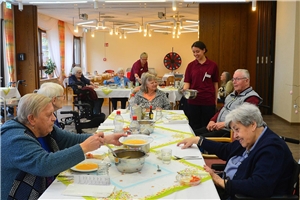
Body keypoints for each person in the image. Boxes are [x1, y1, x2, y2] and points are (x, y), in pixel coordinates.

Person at [1, 93, 126, 200]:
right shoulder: (14, 138)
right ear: (32, 119)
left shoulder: (43, 129)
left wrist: (106, 138)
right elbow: (44, 165)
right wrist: (83, 148)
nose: (54, 118)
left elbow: (71, 139)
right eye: (49, 115)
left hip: (45, 188)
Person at [177, 103, 294, 199]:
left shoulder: (272, 149)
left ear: (253, 125)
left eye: (237, 130)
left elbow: (260, 187)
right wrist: (199, 140)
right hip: (230, 187)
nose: (236, 136)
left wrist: (220, 181)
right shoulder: (251, 140)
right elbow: (226, 150)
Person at [193, 69, 262, 138]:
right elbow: (222, 109)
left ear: (246, 80)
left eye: (237, 79)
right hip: (217, 127)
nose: (234, 82)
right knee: (191, 133)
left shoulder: (252, 98)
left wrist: (225, 124)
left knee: (196, 139)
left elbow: (244, 119)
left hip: (230, 131)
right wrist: (212, 120)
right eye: (233, 79)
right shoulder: (231, 95)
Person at [183, 41, 219, 130]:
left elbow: (215, 83)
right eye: (193, 52)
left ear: (204, 50)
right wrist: (185, 90)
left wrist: (215, 99)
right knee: (194, 124)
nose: (195, 54)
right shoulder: (191, 66)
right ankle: (194, 143)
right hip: (193, 101)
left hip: (208, 99)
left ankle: (205, 143)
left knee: (207, 125)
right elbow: (187, 82)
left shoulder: (212, 65)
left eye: (197, 51)